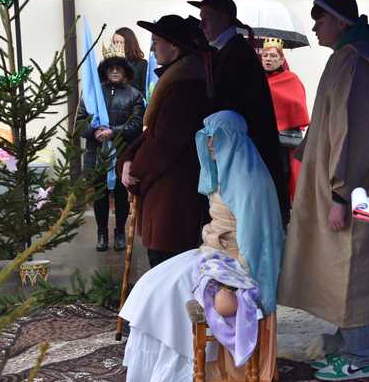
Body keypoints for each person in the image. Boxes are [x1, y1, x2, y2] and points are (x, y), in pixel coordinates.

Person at [277, 0, 369, 381]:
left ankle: (359, 355)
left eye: (319, 20)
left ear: (340, 22)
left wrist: (342, 194)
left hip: (354, 191)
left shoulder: (356, 63)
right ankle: (347, 344)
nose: (313, 27)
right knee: (343, 267)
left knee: (353, 266)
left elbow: (354, 134)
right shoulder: (350, 57)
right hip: (347, 187)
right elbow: (331, 122)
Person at [120, 110, 284, 382]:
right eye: (207, 139)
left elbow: (259, 243)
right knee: (152, 284)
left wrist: (236, 282)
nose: (210, 145)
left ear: (232, 141)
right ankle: (160, 366)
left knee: (169, 292)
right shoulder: (223, 174)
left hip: (234, 264)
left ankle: (187, 367)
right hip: (211, 254)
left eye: (216, 139)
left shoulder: (250, 184)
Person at [117, 14, 212, 268]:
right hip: (167, 191)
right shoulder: (178, 77)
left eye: (156, 41)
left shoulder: (185, 84)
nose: (151, 47)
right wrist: (127, 158)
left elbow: (164, 142)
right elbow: (152, 133)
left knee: (167, 267)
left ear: (174, 45)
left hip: (174, 195)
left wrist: (134, 172)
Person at [188, 0, 290, 223]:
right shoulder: (227, 51)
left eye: (208, 18)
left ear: (225, 19)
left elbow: (231, 111)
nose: (202, 25)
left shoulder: (236, 55)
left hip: (244, 157)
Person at [76, 42, 144, 251]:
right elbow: (79, 122)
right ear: (105, 71)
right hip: (96, 153)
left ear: (125, 70)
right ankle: (102, 233)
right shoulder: (91, 95)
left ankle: (120, 232)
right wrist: (94, 132)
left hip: (122, 153)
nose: (114, 71)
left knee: (122, 195)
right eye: (110, 67)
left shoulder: (134, 95)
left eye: (119, 67)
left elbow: (136, 124)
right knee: (100, 194)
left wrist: (113, 131)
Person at [261, 37, 310, 203]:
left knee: (282, 175)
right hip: (261, 137)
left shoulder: (291, 79)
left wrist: (281, 111)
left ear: (281, 59)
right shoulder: (256, 79)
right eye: (265, 55)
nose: (268, 59)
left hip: (283, 141)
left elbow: (298, 105)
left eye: (273, 56)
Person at [112, 27, 148, 97]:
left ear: (129, 43)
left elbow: (145, 92)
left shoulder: (142, 64)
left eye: (120, 42)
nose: (116, 46)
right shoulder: (108, 65)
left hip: (133, 105)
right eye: (114, 42)